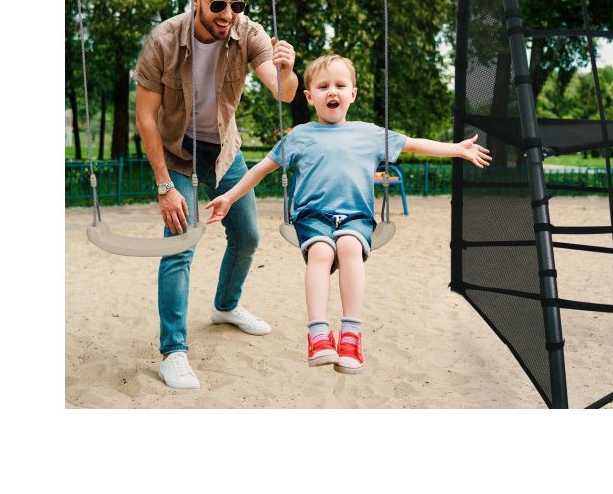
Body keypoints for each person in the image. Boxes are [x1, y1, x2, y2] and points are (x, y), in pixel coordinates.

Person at [205, 54, 491, 375]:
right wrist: (229, 197)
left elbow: (413, 144)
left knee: (349, 246)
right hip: (312, 216)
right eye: (323, 86)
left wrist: (456, 149)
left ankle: (351, 335)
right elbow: (261, 168)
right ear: (309, 96)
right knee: (321, 252)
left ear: (352, 94)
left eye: (340, 85)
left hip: (356, 216)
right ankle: (318, 334)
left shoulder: (369, 134)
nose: (332, 91)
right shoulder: (299, 136)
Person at [133, 0, 298, 390]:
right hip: (176, 153)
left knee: (248, 236)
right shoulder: (164, 40)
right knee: (181, 244)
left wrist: (287, 71)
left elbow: (283, 93)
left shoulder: (248, 33)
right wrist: (164, 185)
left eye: (236, 4)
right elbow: (145, 117)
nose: (228, 14)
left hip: (223, 150)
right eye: (218, 4)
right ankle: (173, 351)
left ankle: (226, 305)